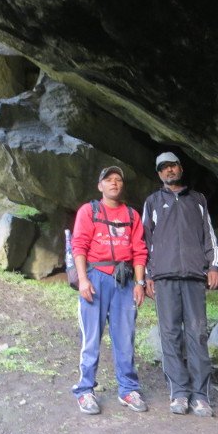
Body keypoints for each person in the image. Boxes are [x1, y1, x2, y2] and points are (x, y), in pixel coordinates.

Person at [142, 152, 218, 417]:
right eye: (163, 168)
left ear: (180, 168)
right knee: (170, 334)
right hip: (164, 278)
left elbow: (209, 235)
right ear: (159, 174)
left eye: (172, 165)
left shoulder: (198, 200)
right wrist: (146, 277)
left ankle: (200, 395)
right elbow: (144, 242)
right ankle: (179, 393)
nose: (169, 171)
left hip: (193, 277)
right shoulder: (152, 202)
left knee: (197, 334)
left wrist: (213, 266)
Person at [71, 166, 149, 415]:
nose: (114, 183)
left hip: (124, 281)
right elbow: (79, 245)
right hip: (96, 277)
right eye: (109, 180)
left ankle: (128, 389)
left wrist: (139, 283)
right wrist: (83, 280)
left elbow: (139, 251)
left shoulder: (132, 215)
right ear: (100, 186)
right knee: (91, 338)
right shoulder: (89, 211)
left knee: (125, 338)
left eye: (118, 180)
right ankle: (85, 391)